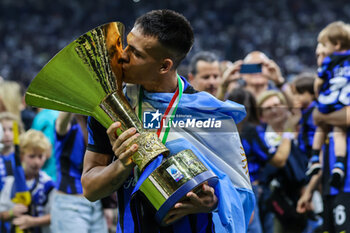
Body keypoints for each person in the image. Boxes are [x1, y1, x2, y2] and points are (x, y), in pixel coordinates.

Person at [81, 9, 254, 233]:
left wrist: (213, 202)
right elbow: (90, 189)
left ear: (164, 66)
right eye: (127, 45)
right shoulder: (111, 109)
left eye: (136, 53)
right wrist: (123, 164)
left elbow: (241, 193)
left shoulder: (209, 113)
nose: (122, 55)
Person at [306, 21, 350, 189]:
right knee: (338, 131)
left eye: (324, 47)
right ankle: (338, 164)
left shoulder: (330, 62)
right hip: (344, 98)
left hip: (330, 98)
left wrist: (319, 96)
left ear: (336, 44)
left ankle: (315, 158)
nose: (321, 56)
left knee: (322, 125)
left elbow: (318, 83)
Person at [50, 112, 108, 233]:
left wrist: (108, 205)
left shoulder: (94, 120)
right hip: (69, 203)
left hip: (96, 203)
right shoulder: (69, 121)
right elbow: (60, 126)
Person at [0, 129, 55, 233]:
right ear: (21, 156)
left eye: (40, 156)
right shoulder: (11, 182)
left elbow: (56, 215)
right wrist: (11, 213)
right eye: (32, 156)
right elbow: (2, 214)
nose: (37, 162)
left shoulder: (48, 184)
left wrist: (33, 221)